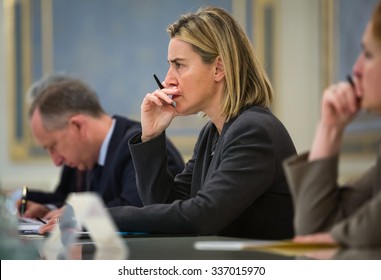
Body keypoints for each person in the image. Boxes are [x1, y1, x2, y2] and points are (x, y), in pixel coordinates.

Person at [42, 6, 296, 239]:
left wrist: (96, 216)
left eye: (179, 65)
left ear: (219, 68)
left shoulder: (253, 131)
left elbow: (200, 217)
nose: (168, 80)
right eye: (169, 66)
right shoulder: (213, 133)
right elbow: (166, 206)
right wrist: (150, 137)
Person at [283, 1, 381, 247]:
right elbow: (313, 235)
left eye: (368, 54)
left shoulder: (251, 128)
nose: (356, 69)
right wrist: (330, 127)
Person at [20, 74, 184, 218]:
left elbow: (139, 209)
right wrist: (50, 210)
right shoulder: (88, 155)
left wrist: (79, 214)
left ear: (78, 126)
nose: (56, 161)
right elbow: (71, 200)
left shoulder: (140, 146)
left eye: (53, 146)